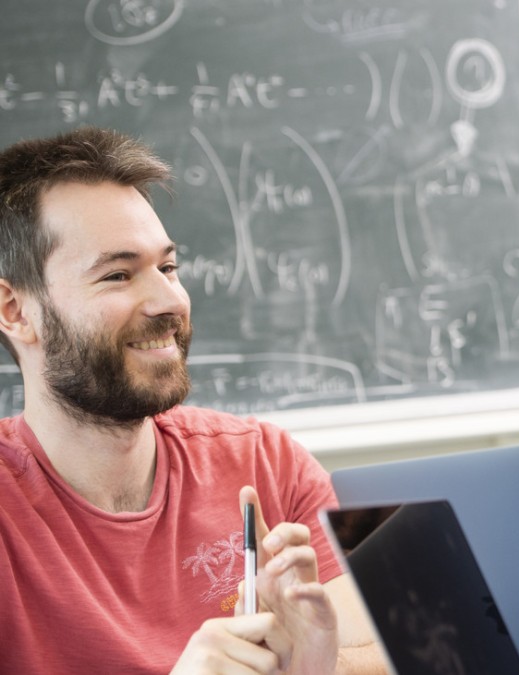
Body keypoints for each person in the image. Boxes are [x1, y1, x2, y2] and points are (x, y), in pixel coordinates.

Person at [0, 127, 383, 673]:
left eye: (168, 267)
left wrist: (313, 665)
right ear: (15, 311)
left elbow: (394, 651)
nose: (167, 299)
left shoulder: (264, 464)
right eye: (117, 275)